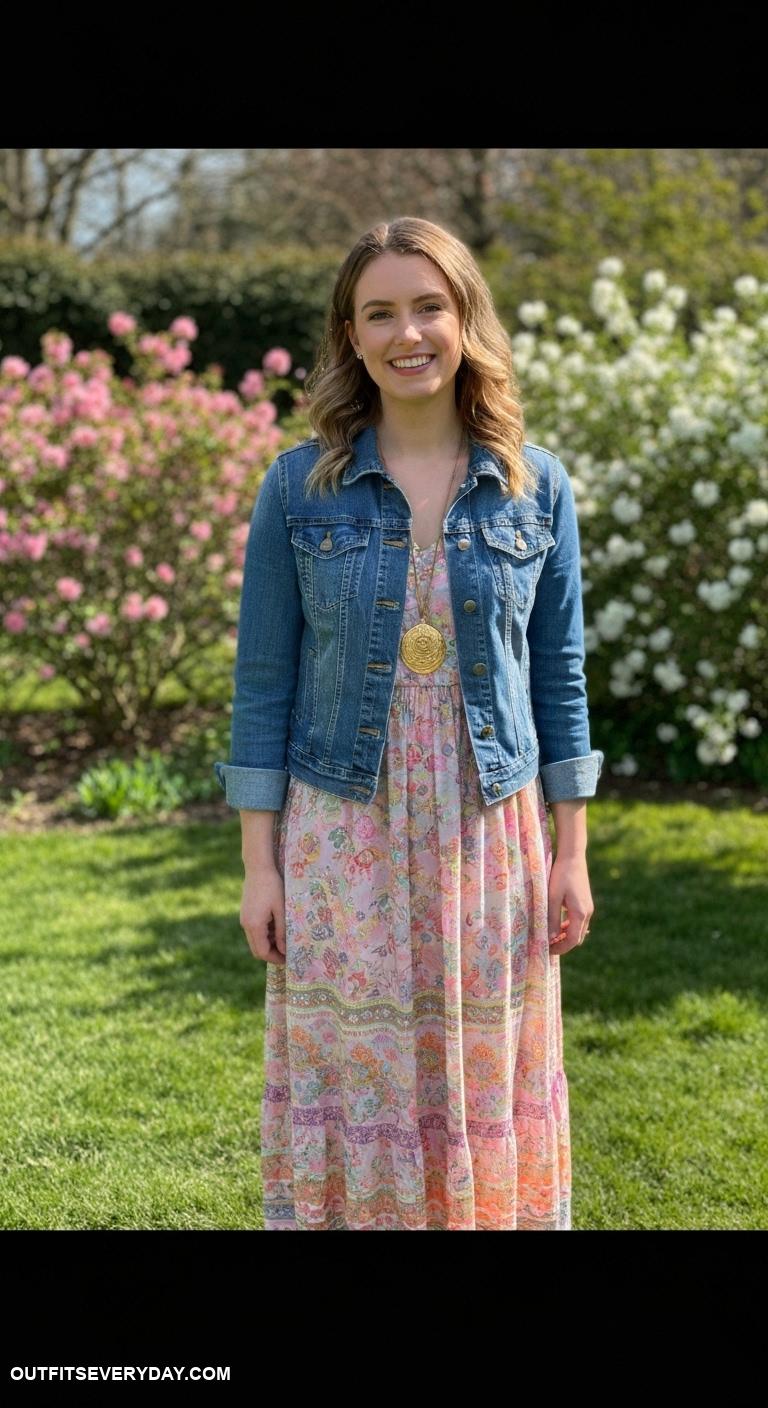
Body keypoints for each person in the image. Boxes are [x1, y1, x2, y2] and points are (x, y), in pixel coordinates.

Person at [214, 216, 604, 1230]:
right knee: (362, 1067)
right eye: (379, 312)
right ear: (349, 334)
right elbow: (263, 681)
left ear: (467, 318)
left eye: (430, 305)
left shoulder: (535, 486)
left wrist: (572, 852)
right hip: (345, 829)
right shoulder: (299, 489)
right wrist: (261, 865)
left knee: (482, 1063)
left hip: (490, 829)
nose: (409, 332)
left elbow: (560, 676)